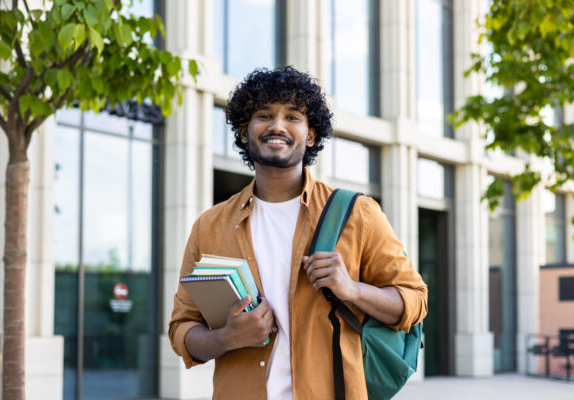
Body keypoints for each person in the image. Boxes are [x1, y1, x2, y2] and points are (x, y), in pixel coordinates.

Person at [168, 66, 427, 400]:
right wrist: (227, 338)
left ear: (310, 135)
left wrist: (352, 289)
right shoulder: (210, 225)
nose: (277, 126)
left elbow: (415, 300)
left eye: (293, 116)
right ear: (244, 131)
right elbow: (181, 328)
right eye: (264, 115)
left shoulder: (359, 213)